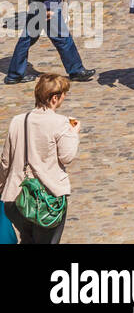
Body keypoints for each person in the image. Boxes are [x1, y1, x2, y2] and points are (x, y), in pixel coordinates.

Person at [0, 74, 80, 243]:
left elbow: (5, 161)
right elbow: (67, 157)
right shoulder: (61, 123)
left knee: (27, 240)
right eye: (63, 95)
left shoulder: (17, 121)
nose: (63, 99)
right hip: (47, 200)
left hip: (17, 197)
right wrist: (74, 133)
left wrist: (2, 187)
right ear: (54, 98)